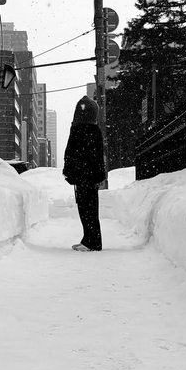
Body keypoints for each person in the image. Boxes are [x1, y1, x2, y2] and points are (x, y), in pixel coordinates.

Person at [62, 95, 106, 252]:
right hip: (90, 175)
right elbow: (99, 155)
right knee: (91, 209)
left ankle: (91, 241)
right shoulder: (95, 131)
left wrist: (69, 172)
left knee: (86, 209)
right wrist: (100, 174)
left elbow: (70, 153)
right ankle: (90, 240)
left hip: (82, 175)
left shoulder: (77, 130)